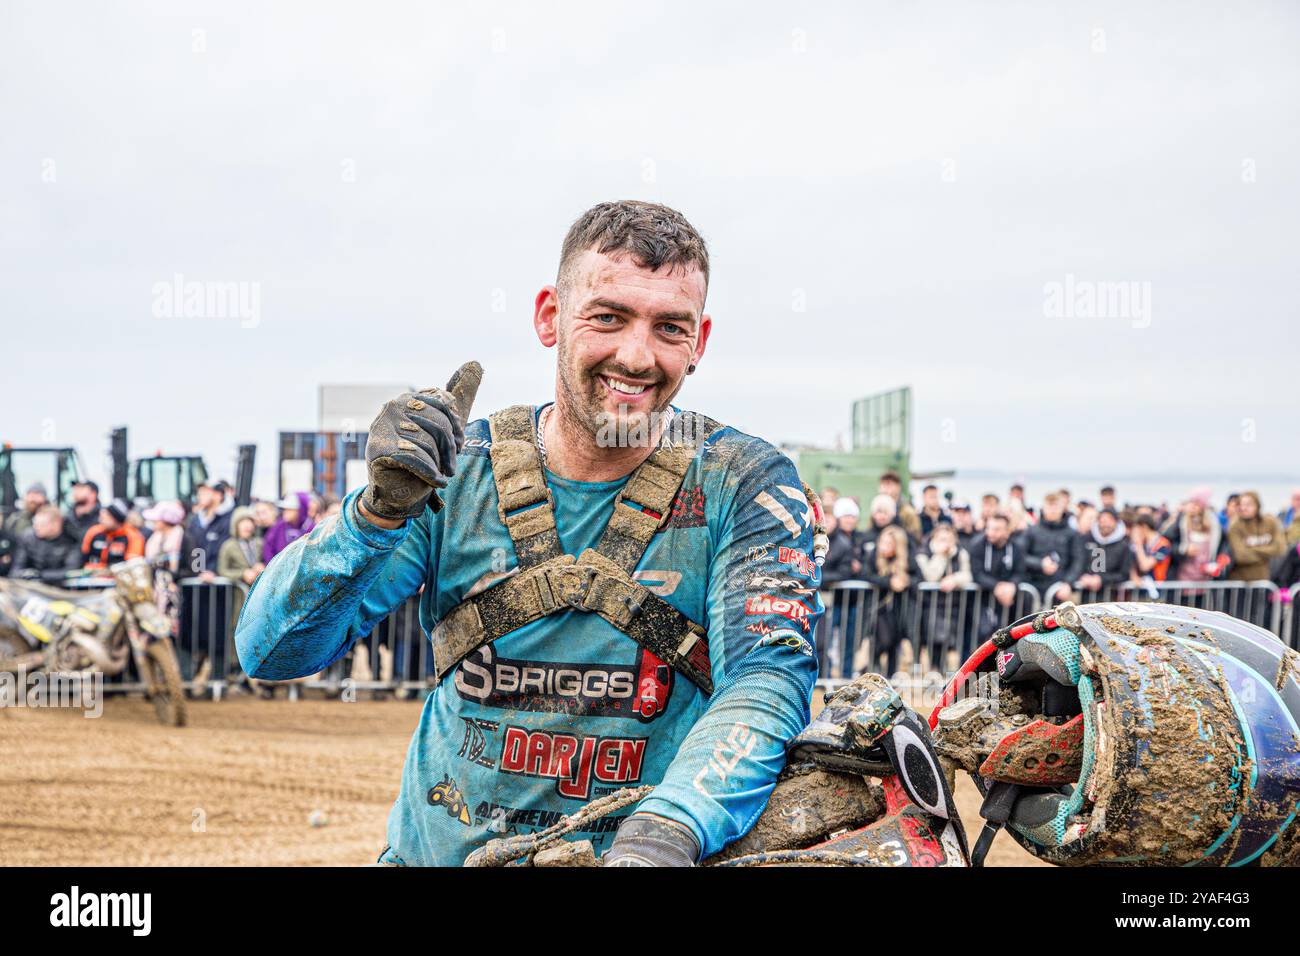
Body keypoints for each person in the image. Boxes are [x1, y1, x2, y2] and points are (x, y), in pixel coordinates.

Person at [235, 199, 822, 867]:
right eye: (607, 317)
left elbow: (765, 681)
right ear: (549, 317)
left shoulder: (744, 482)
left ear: (700, 343)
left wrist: (662, 836)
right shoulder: (458, 473)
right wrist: (373, 516)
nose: (636, 355)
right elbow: (270, 650)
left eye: (669, 328)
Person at [860, 525, 920, 676]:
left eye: (888, 544)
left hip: (900, 608)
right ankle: (871, 670)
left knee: (894, 643)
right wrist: (889, 582)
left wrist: (905, 581)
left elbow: (919, 578)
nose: (883, 547)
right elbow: (865, 574)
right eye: (882, 542)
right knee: (883, 640)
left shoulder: (907, 557)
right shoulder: (874, 555)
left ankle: (890, 678)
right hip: (877, 607)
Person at [969, 512, 1025, 636]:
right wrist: (997, 587)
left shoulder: (1016, 547)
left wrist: (1012, 586)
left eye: (996, 529)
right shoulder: (977, 545)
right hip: (982, 597)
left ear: (1007, 531)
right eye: (988, 528)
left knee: (1009, 633)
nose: (990, 532)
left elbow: (1020, 572)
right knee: (985, 632)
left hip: (1009, 598)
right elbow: (976, 573)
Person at [1023, 492, 1083, 604]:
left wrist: (1068, 583)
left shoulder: (1072, 534)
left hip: (1060, 588)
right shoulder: (1031, 531)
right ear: (1043, 508)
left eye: (1056, 507)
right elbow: (1021, 556)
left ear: (1062, 508)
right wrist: (1040, 563)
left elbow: (1078, 561)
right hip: (1033, 587)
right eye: (1049, 506)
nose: (1053, 510)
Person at [10, 505, 83, 582]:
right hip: (31, 585)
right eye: (35, 523)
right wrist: (26, 574)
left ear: (56, 524)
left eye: (41, 524)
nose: (36, 527)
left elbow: (71, 571)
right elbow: (15, 570)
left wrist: (40, 575)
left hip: (61, 586)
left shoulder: (71, 539)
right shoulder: (28, 538)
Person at [1227, 491, 1286, 581]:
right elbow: (1241, 556)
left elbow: (1280, 549)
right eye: (1241, 504)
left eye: (1248, 505)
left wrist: (1252, 549)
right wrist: (1267, 554)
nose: (1243, 508)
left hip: (1265, 579)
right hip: (1241, 581)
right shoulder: (1235, 525)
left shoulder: (1270, 522)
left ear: (1257, 505)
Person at [1076, 507, 1131, 595]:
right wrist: (1083, 577)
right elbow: (1078, 562)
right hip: (1087, 593)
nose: (1105, 524)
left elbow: (1124, 574)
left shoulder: (1124, 545)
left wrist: (1101, 579)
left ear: (1116, 522)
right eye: (1102, 520)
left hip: (1111, 595)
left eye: (1109, 520)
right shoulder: (1087, 539)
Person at [1171, 488, 1223, 581]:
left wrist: (1217, 563)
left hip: (1207, 577)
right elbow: (1169, 543)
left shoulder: (1215, 526)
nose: (1193, 506)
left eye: (1196, 503)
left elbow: (1223, 547)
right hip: (1183, 577)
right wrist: (1184, 549)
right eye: (1191, 502)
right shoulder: (1181, 522)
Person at [81, 498, 146, 570]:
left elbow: (134, 564)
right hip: (93, 576)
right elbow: (82, 557)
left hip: (119, 576)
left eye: (106, 517)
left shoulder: (133, 536)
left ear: (116, 518)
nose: (101, 520)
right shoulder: (94, 532)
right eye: (101, 516)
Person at [187, 480, 233, 574]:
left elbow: (223, 550)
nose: (199, 497)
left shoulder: (229, 519)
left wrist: (212, 571)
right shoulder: (195, 520)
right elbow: (193, 548)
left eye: (204, 493)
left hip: (219, 579)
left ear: (218, 495)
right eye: (199, 493)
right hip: (197, 579)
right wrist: (198, 572)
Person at [261, 492, 312, 563]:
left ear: (301, 511)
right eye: (285, 509)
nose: (285, 512)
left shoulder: (311, 528)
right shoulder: (278, 527)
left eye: (290, 509)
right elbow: (268, 549)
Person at [1128, 514, 1173, 591]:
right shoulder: (1143, 543)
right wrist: (1134, 576)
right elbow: (1129, 563)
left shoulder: (1163, 544)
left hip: (1158, 590)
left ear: (1144, 527)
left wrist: (1138, 544)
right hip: (1141, 589)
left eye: (1137, 529)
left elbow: (1145, 566)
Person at [878, 471, 921, 540]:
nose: (886, 489)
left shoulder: (908, 512)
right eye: (883, 485)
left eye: (889, 484)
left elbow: (915, 538)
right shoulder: (877, 510)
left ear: (898, 487)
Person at [64, 480, 102, 545]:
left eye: (81, 488)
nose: (75, 490)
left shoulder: (103, 518)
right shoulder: (66, 518)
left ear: (93, 494)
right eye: (75, 488)